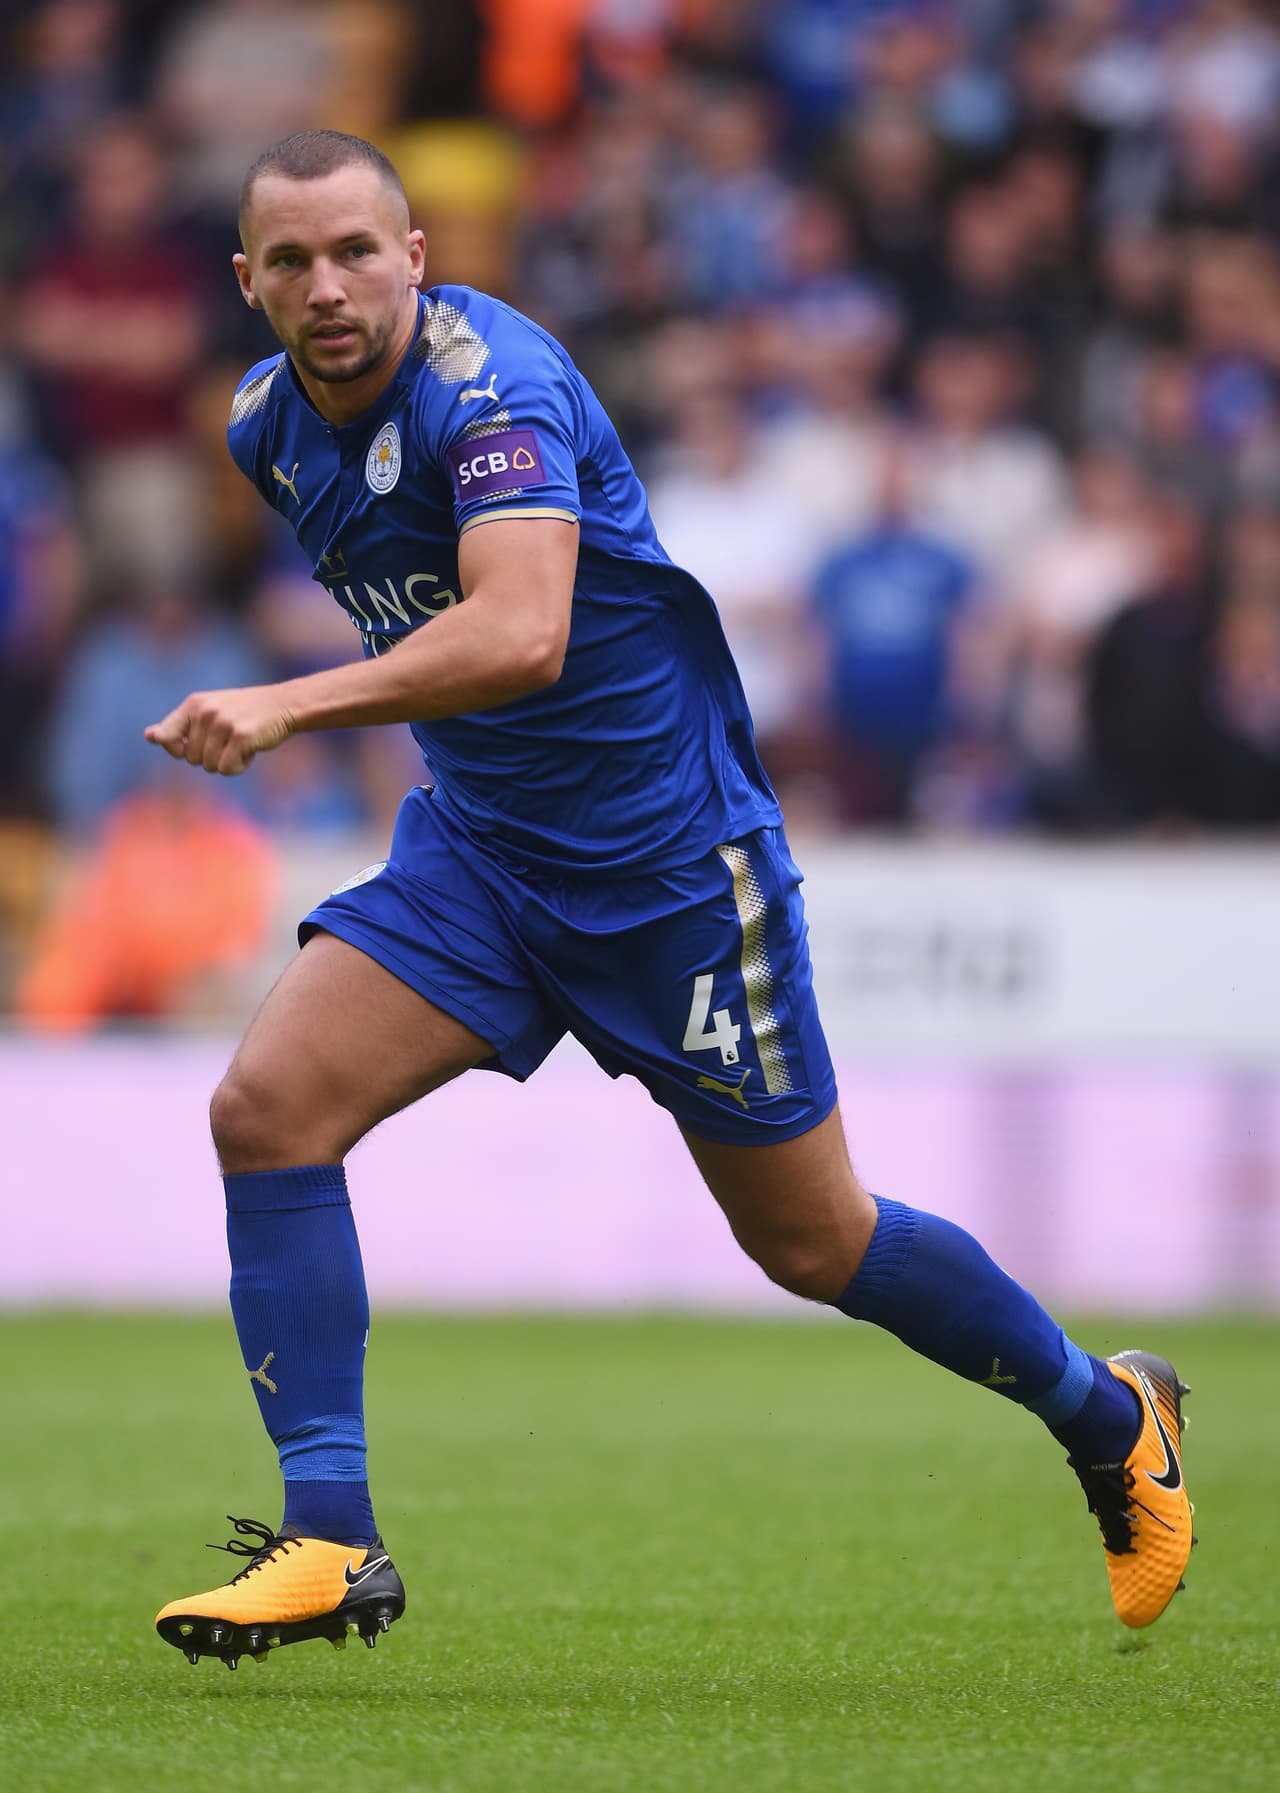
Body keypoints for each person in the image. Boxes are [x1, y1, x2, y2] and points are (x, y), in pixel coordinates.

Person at [147, 131, 1193, 1670]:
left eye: (358, 250)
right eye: (290, 261)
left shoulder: (491, 382)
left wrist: (292, 706)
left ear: (417, 254)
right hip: (486, 857)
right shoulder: (262, 426)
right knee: (266, 1110)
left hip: (669, 874)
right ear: (247, 283)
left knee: (816, 1242)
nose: (328, 285)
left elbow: (522, 636)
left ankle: (1112, 1417)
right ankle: (330, 1536)